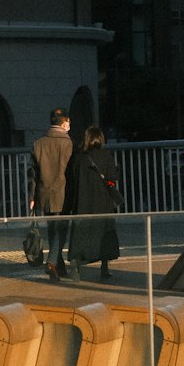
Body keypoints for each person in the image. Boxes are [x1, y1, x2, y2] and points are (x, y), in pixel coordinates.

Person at [65, 126, 121, 283]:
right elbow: (113, 176)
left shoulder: (78, 157)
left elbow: (71, 178)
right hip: (102, 201)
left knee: (80, 233)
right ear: (100, 139)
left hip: (82, 201)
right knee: (103, 232)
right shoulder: (105, 155)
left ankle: (75, 268)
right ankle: (104, 268)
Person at [28, 107, 73, 281]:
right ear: (63, 123)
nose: (69, 125)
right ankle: (52, 263)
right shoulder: (68, 143)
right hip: (63, 192)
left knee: (52, 229)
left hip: (43, 192)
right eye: (68, 122)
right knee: (61, 230)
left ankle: (59, 267)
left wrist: (32, 196)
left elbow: (33, 173)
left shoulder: (38, 143)